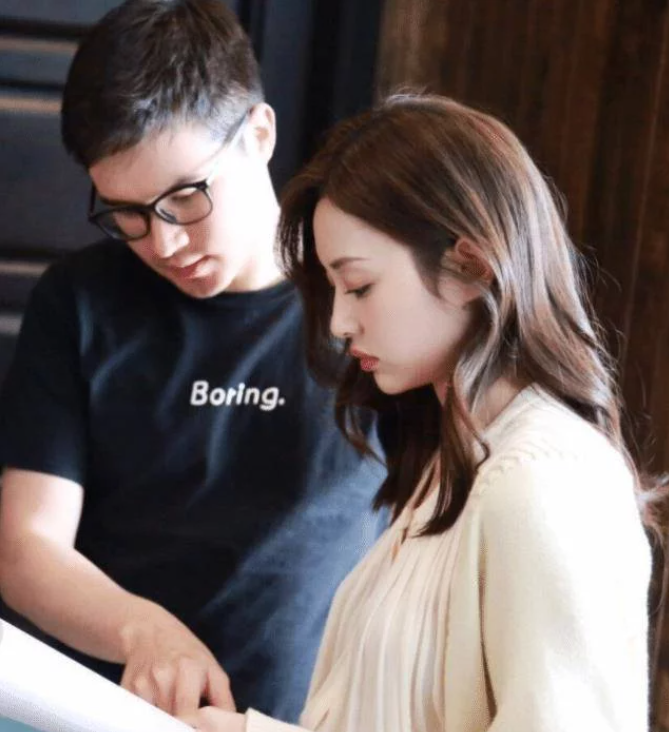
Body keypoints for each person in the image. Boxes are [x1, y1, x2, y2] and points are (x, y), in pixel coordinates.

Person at [183, 93, 666, 732]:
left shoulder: (543, 481)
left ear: (470, 266)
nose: (339, 322)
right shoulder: (457, 459)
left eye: (360, 286)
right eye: (333, 289)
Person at [0, 0, 387, 723]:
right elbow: (25, 547)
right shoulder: (80, 302)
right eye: (126, 213)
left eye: (184, 197)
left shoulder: (369, 304)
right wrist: (142, 631)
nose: (163, 243)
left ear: (259, 135)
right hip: (96, 710)